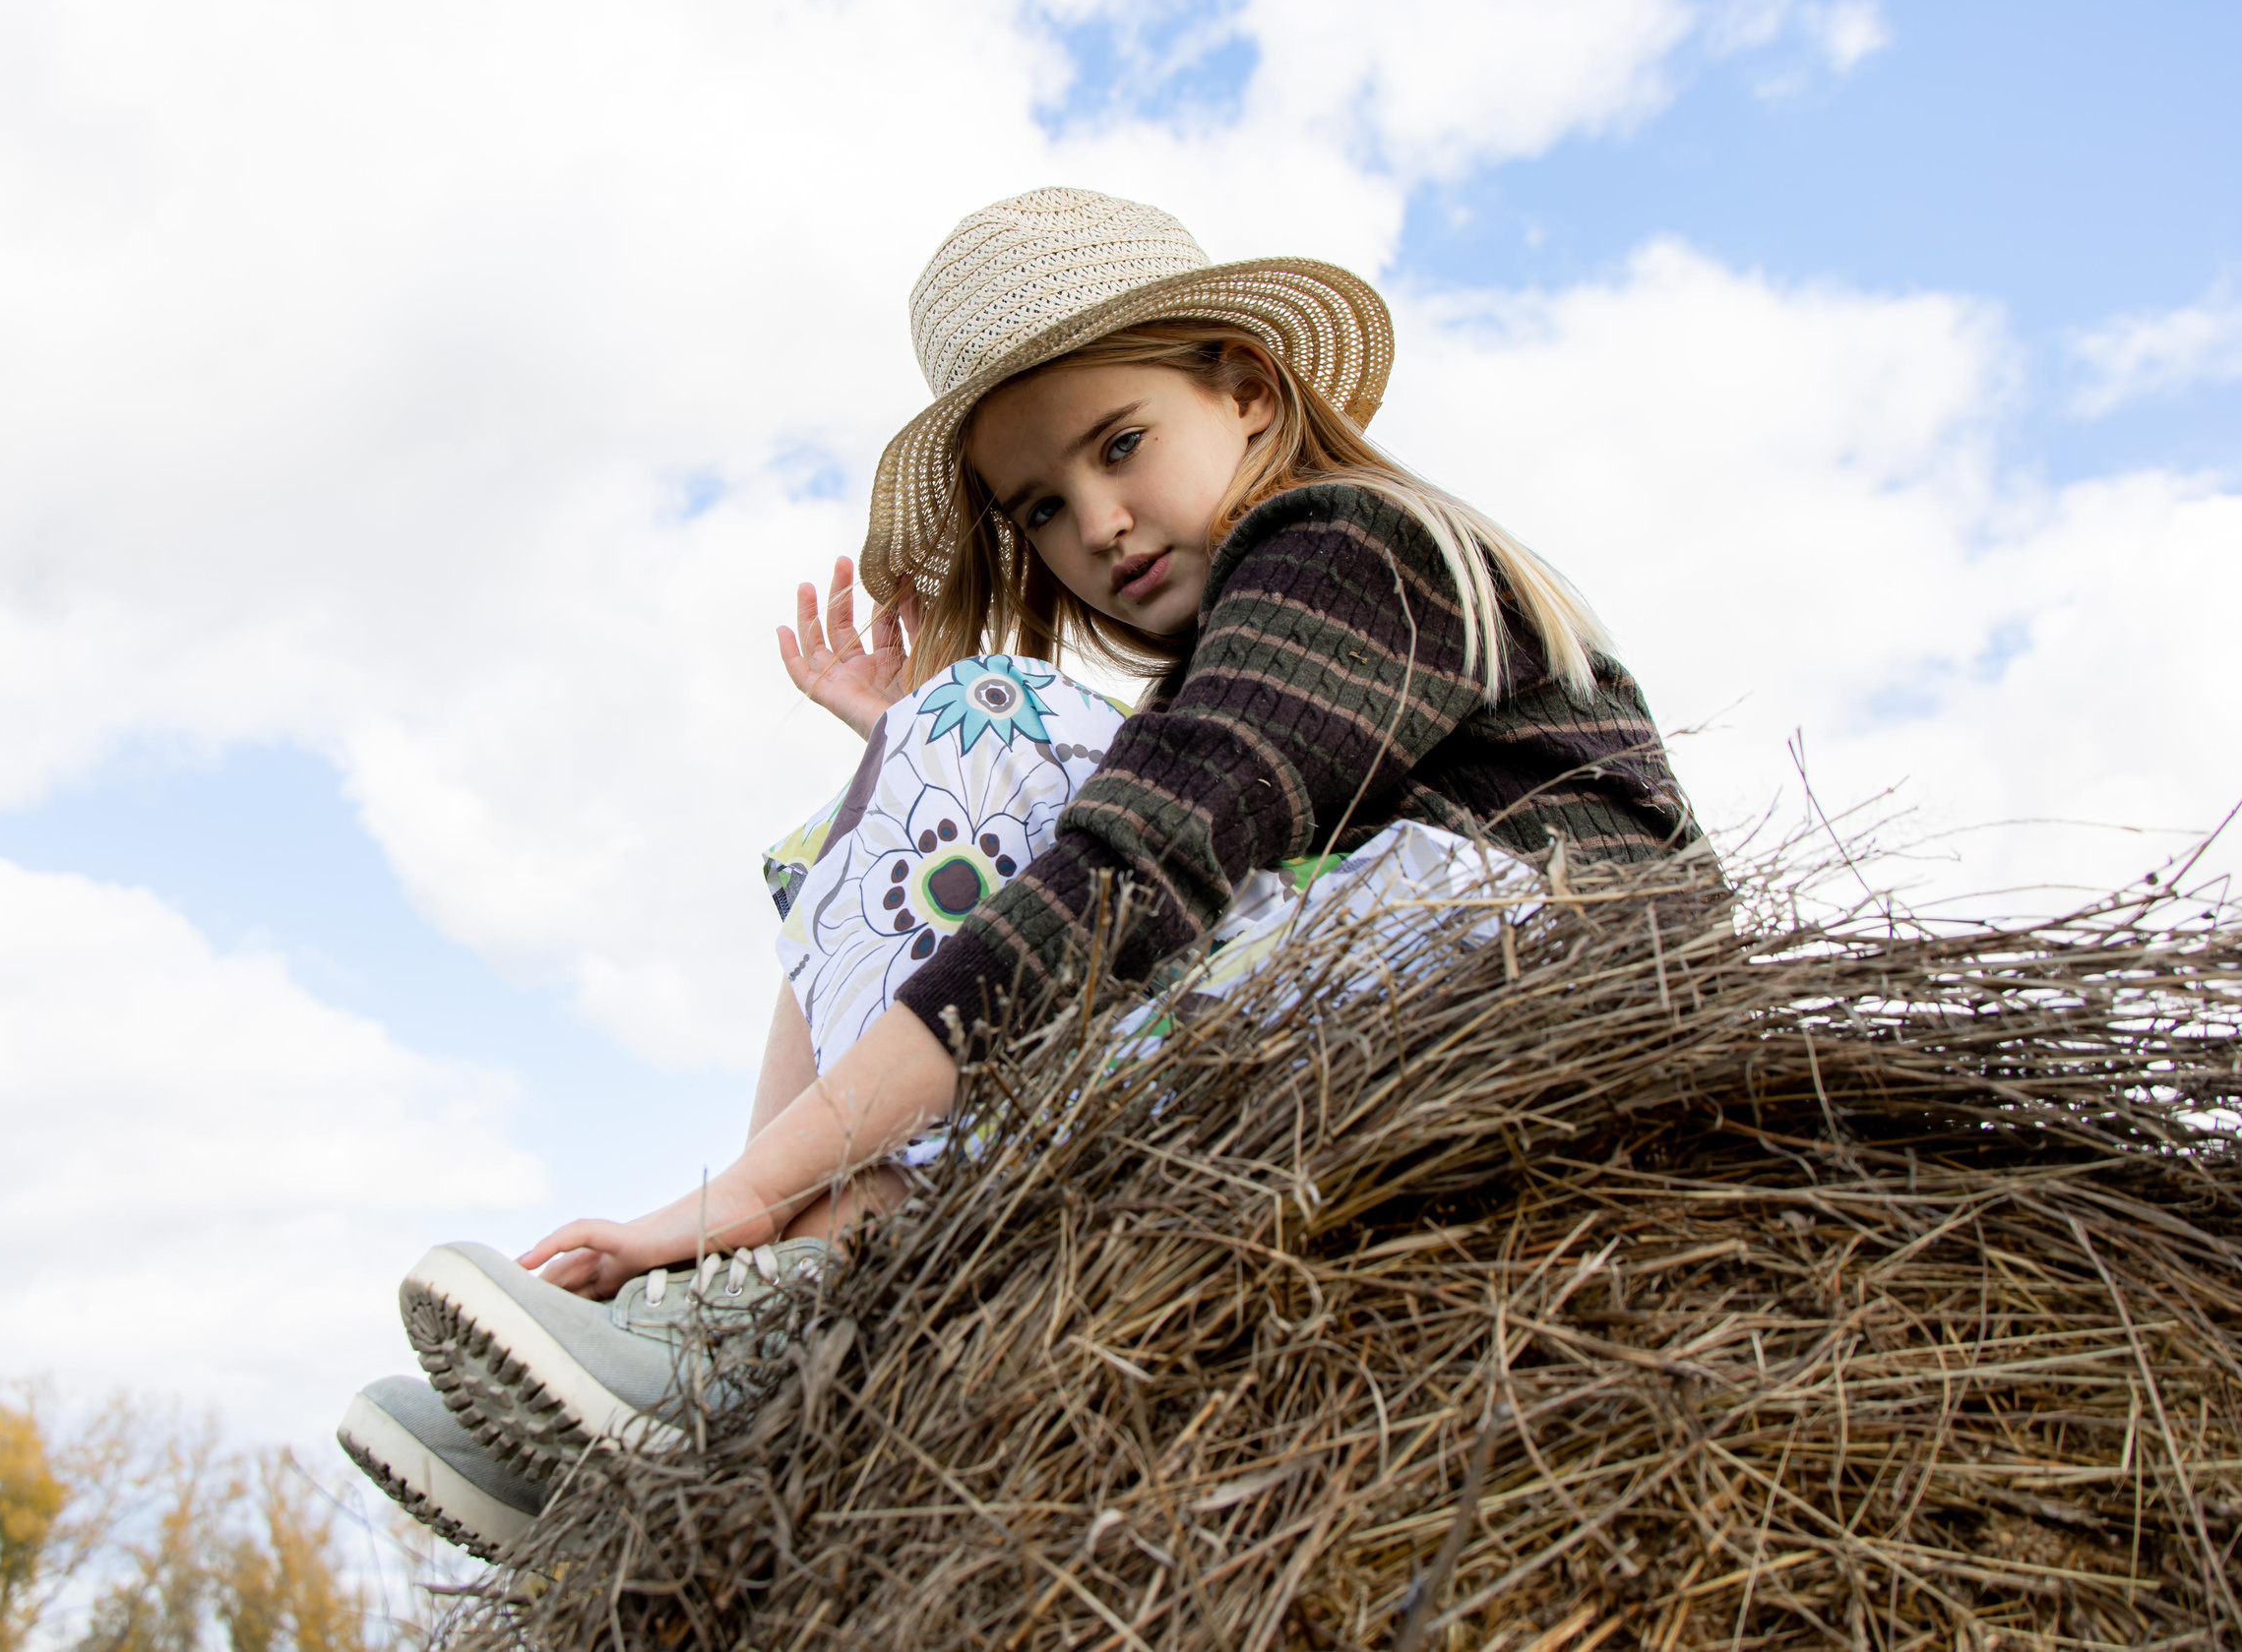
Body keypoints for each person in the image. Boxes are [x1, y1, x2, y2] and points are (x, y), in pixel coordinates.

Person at [341, 188, 1699, 1546]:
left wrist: (749, 1187)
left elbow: (1133, 875)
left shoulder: (1351, 542)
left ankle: (763, 1281)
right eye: (1043, 506)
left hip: (1526, 979)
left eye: (1120, 446)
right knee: (884, 801)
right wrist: (899, 775)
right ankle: (719, 1329)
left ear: (1249, 392)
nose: (1097, 525)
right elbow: (1180, 825)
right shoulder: (1284, 624)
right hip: (1394, 991)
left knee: (982, 719)